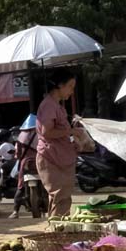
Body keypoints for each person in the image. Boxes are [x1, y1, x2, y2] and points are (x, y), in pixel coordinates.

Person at [36, 69, 78, 218]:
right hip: (51, 158)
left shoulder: (57, 105)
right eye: (70, 86)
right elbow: (47, 132)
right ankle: (57, 234)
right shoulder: (48, 105)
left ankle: (57, 232)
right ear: (60, 85)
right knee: (60, 198)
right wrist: (71, 132)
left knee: (62, 199)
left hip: (61, 157)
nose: (72, 91)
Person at [9, 114, 39, 219]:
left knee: (20, 187)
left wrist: (18, 157)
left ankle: (15, 212)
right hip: (40, 162)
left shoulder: (21, 136)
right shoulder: (42, 134)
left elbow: (18, 154)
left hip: (25, 163)